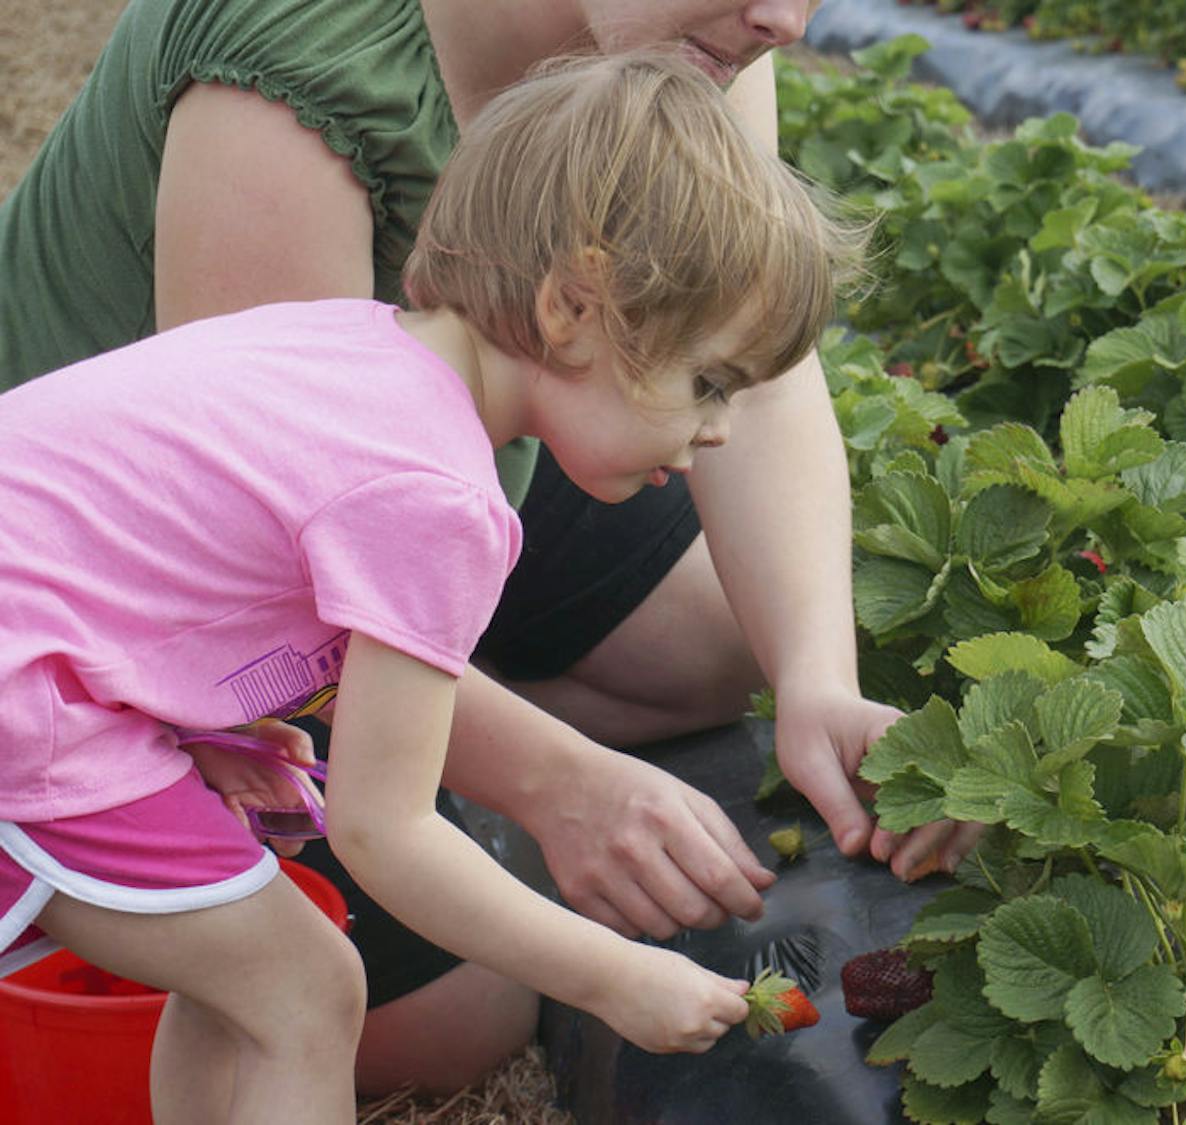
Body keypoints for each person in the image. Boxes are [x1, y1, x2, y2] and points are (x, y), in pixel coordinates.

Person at [0, 0, 977, 1093]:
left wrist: (200, 723)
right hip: (29, 691)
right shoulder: (435, 500)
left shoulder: (366, 354)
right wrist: (616, 976)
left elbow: (180, 546)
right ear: (570, 308)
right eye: (706, 387)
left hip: (45, 625)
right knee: (305, 988)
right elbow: (386, 832)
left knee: (240, 981)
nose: (715, 435)